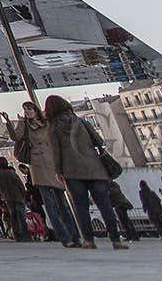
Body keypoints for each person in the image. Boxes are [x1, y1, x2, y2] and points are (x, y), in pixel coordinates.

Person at [46, 94, 125, 250]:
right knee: (105, 205)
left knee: (81, 207)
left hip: (72, 171)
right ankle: (116, 239)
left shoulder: (54, 127)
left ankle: (89, 240)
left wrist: (58, 171)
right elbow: (99, 141)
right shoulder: (81, 122)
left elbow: (56, 151)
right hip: (95, 169)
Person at [5, 102, 79, 247]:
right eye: (25, 109)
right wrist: (9, 122)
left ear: (35, 109)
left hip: (53, 164)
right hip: (38, 165)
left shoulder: (47, 123)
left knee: (62, 203)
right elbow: (16, 137)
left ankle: (74, 235)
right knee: (49, 204)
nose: (27, 111)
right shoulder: (24, 125)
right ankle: (64, 237)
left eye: (29, 108)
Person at [0, 158, 29, 242]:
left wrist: (1, 196)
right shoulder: (11, 172)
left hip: (7, 197)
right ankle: (25, 234)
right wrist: (23, 195)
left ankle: (17, 235)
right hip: (17, 196)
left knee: (13, 216)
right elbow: (19, 184)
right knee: (21, 216)